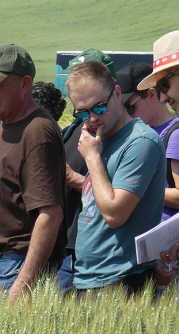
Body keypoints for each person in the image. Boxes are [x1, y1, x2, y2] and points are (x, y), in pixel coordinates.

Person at [0, 44, 67, 301]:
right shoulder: (9, 121)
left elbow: (49, 214)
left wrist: (23, 283)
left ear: (25, 84)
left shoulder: (37, 131)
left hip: (14, 268)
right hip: (1, 265)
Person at [65, 61, 166, 294]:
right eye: (82, 112)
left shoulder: (140, 142)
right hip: (88, 276)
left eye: (99, 107)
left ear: (117, 93)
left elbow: (114, 213)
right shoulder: (100, 137)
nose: (91, 118)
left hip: (122, 278)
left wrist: (91, 158)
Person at [57, 49, 116, 292]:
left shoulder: (117, 134)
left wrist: (74, 179)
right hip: (65, 246)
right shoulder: (75, 127)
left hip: (92, 251)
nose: (89, 116)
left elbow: (117, 198)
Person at [125, 62, 179, 222]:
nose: (164, 98)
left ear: (151, 95)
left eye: (130, 108)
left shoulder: (174, 134)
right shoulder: (140, 133)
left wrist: (131, 190)